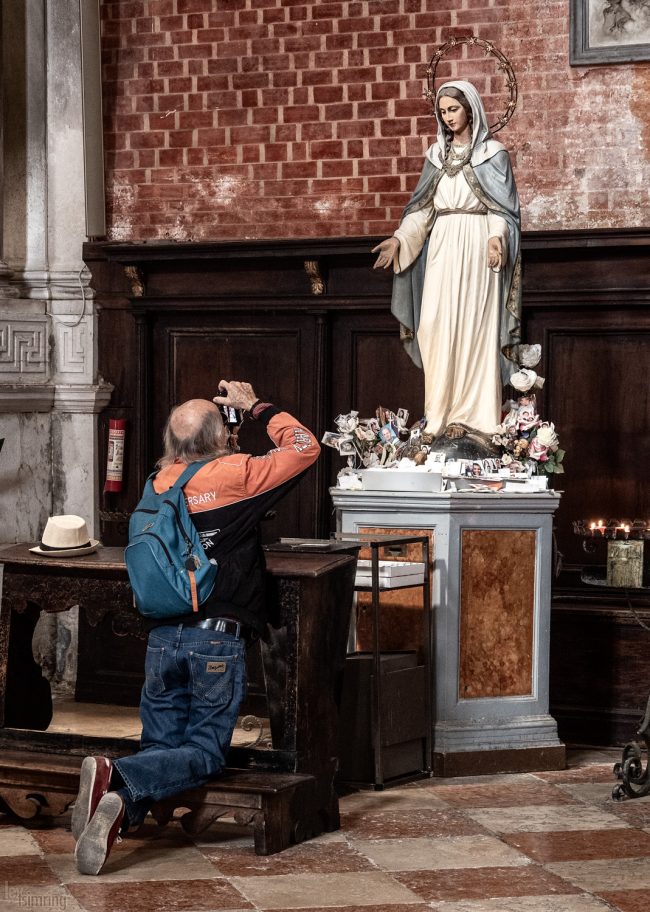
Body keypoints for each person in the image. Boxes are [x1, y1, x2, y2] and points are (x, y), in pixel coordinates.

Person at [71, 381, 320, 875]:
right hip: (216, 637)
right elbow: (304, 447)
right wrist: (254, 408)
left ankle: (118, 803)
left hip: (163, 637)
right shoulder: (239, 473)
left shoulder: (157, 481)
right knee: (205, 754)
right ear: (221, 435)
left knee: (163, 749)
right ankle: (115, 772)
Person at [372, 80, 521, 442]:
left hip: (477, 249)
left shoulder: (493, 154)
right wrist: (400, 238)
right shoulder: (436, 156)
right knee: (434, 327)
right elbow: (422, 210)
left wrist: (495, 238)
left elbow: (503, 208)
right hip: (440, 249)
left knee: (475, 329)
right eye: (442, 111)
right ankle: (437, 416)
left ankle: (475, 419)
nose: (447, 117)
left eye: (453, 109)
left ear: (470, 109)